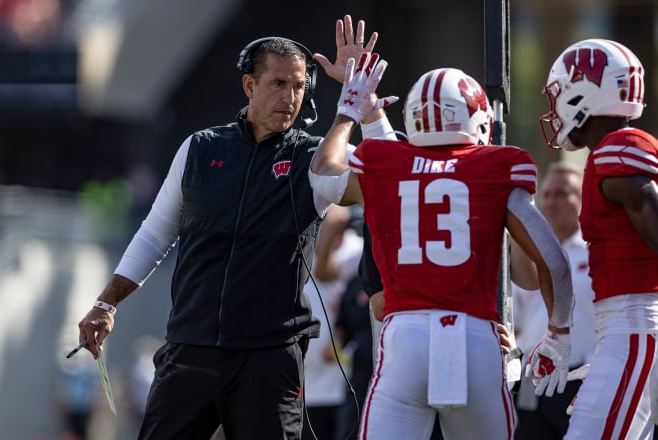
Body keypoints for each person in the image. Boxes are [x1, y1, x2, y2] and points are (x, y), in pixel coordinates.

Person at [74, 15, 391, 440]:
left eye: (299, 86)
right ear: (249, 86)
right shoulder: (200, 148)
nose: (291, 97)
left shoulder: (315, 156)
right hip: (190, 346)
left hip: (270, 357)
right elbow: (154, 234)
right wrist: (106, 304)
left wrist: (363, 109)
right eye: (278, 83)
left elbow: (391, 183)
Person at [308, 54, 574, 439]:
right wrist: (558, 333)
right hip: (474, 337)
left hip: (404, 339)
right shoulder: (495, 165)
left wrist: (348, 109)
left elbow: (322, 174)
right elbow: (553, 261)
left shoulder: (385, 164)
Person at [539, 38, 658, 440]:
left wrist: (630, 347)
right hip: (629, 331)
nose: (554, 107)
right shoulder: (611, 152)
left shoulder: (617, 150)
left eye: (559, 95)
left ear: (582, 95)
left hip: (635, 327)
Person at [513, 161, 595, 439]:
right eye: (546, 195)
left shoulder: (596, 251)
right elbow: (516, 319)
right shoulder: (528, 254)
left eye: (562, 194)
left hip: (581, 380)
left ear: (581, 201)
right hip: (532, 380)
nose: (551, 202)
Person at [301, 205, 362, 440]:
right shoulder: (303, 248)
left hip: (345, 386)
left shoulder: (355, 250)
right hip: (308, 388)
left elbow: (328, 271)